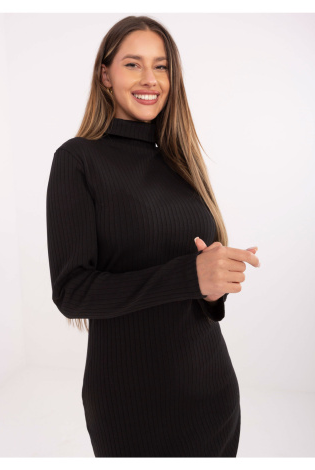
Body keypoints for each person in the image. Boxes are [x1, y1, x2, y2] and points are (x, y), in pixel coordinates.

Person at [46, 15, 260, 458]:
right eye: (133, 64)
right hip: (132, 405)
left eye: (161, 66)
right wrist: (189, 276)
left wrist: (215, 286)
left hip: (213, 395)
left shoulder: (181, 162)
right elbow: (72, 292)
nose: (150, 79)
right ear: (105, 75)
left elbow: (197, 293)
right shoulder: (77, 159)